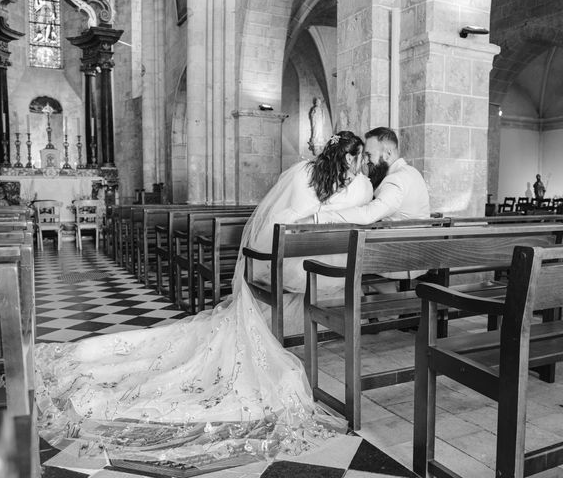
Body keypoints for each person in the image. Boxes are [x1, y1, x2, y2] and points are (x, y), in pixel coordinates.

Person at [34, 131, 372, 467]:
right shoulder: (339, 183)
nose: (361, 166)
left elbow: (290, 217)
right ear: (347, 157)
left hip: (290, 256)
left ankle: (279, 332)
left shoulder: (308, 174)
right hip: (294, 258)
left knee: (293, 286)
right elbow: (301, 217)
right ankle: (280, 332)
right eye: (358, 159)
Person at [313, 127, 430, 224]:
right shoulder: (412, 172)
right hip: (413, 244)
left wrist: (319, 218)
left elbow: (368, 215)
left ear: (387, 154)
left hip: (400, 248)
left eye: (369, 155)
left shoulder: (396, 180)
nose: (367, 161)